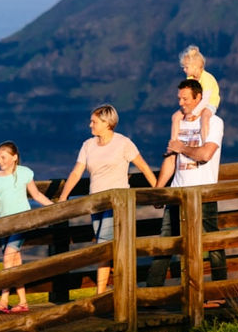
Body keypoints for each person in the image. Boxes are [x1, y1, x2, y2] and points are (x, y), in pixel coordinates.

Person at [56, 104, 158, 292]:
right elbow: (77, 172)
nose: (90, 125)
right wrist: (63, 196)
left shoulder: (123, 143)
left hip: (117, 203)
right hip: (96, 203)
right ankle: (121, 289)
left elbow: (143, 167)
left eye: (94, 122)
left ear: (107, 123)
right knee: (107, 245)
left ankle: (101, 292)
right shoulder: (87, 145)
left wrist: (158, 192)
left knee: (103, 243)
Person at [146, 77, 226, 297]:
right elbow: (171, 159)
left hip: (203, 194)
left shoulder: (214, 123)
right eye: (179, 98)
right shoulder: (178, 122)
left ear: (198, 97)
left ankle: (220, 292)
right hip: (177, 193)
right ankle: (150, 296)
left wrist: (182, 147)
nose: (181, 103)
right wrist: (159, 190)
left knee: (212, 244)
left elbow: (205, 155)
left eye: (185, 98)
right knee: (166, 244)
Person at [0, 141, 53, 313]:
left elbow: (36, 194)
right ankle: (22, 302)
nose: (0, 161)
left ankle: (3, 299)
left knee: (8, 257)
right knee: (15, 263)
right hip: (2, 226)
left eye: (4, 157)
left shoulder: (24, 173)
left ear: (14, 157)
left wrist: (55, 207)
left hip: (22, 224)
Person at [170, 45, 221, 148]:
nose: (184, 69)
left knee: (205, 117)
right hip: (196, 103)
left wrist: (193, 113)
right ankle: (173, 145)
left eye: (186, 67)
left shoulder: (207, 79)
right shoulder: (190, 77)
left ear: (195, 67)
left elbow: (206, 100)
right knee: (176, 117)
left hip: (210, 103)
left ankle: (205, 143)